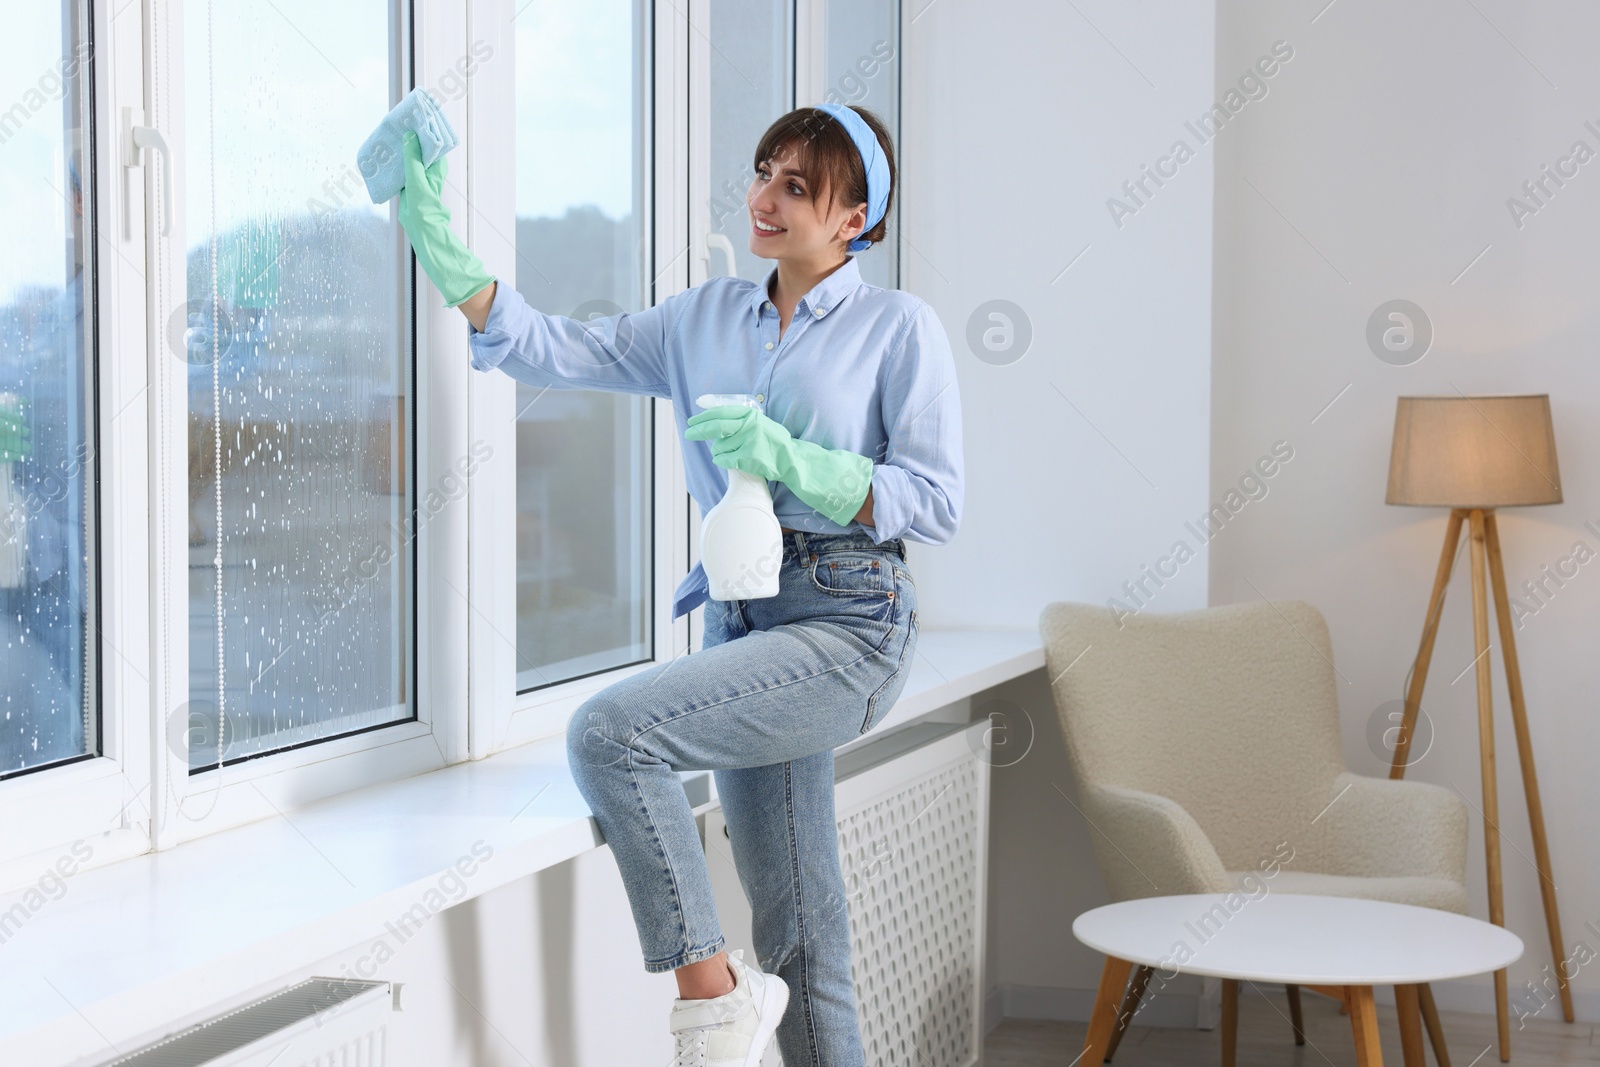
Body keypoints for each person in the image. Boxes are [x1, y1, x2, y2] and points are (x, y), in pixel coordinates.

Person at [395, 102, 963, 1066]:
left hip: (850, 621)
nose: (765, 198)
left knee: (612, 734)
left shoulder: (896, 327)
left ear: (855, 217)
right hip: (742, 625)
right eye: (763, 171)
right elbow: (561, 350)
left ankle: (712, 1000)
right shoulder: (702, 319)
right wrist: (445, 252)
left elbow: (937, 500)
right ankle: (751, 989)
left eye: (797, 184)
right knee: (802, 936)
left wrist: (804, 460)